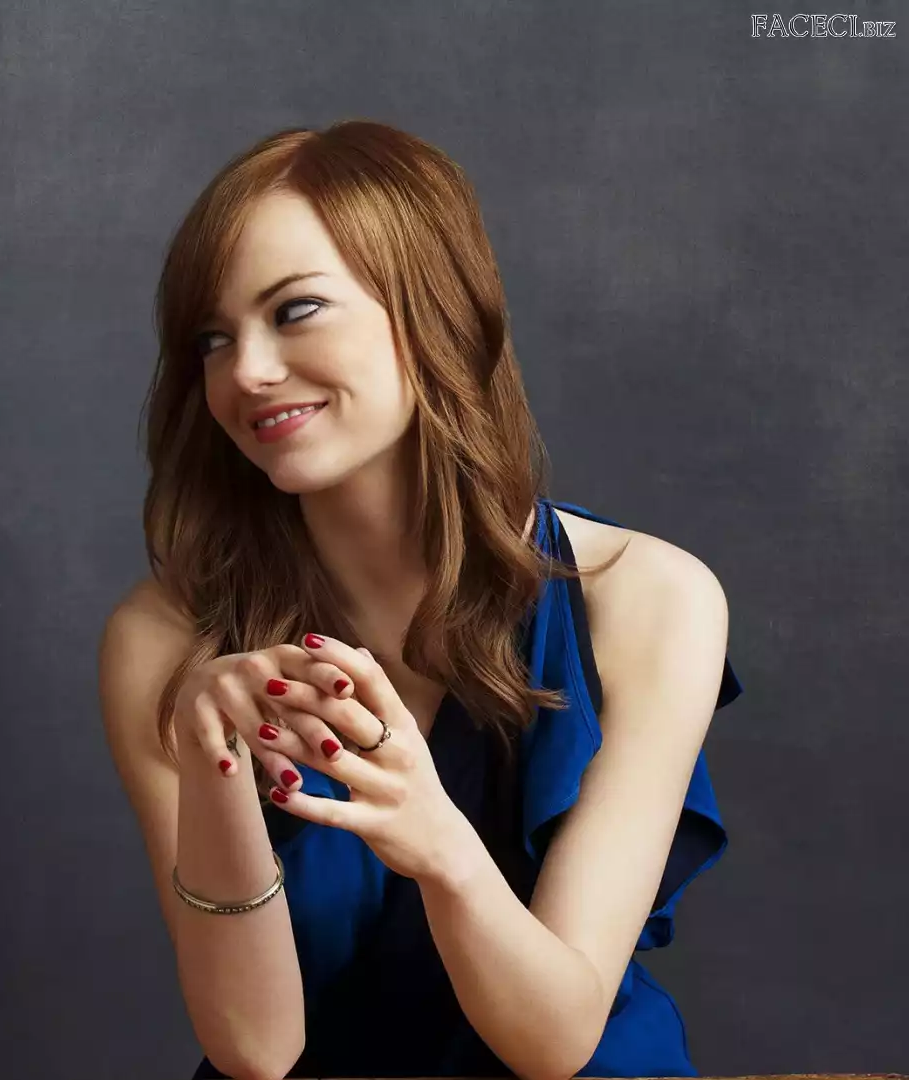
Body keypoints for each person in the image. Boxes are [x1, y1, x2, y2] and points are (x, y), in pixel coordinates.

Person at [98, 121, 740, 1080]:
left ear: (433, 308)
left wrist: (439, 845)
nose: (246, 373)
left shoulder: (652, 599)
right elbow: (257, 1050)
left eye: (296, 310)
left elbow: (553, 1039)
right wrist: (216, 765)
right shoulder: (164, 639)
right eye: (213, 339)